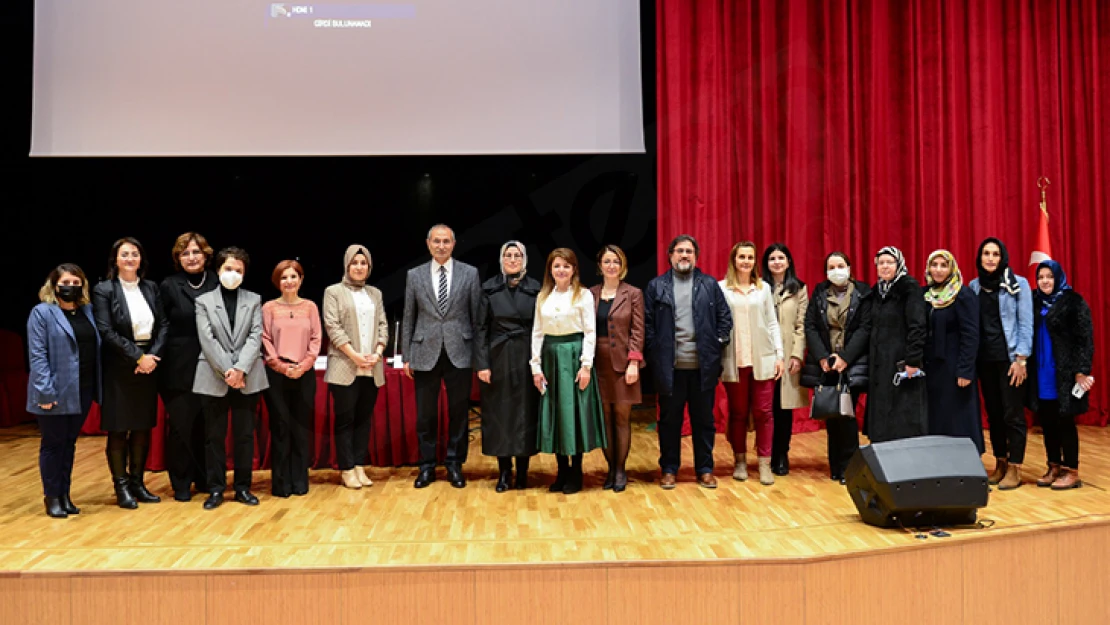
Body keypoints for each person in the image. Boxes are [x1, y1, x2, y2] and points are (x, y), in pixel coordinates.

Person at [644, 235, 732, 490]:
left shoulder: (709, 285)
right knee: (669, 423)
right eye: (680, 251)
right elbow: (648, 325)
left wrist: (716, 344)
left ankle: (705, 469)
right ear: (670, 255)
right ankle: (669, 469)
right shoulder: (656, 286)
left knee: (704, 422)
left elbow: (725, 319)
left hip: (703, 368)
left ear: (696, 256)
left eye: (689, 252)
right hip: (670, 369)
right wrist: (655, 352)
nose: (684, 255)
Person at [402, 224, 482, 489]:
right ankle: (426, 466)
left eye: (446, 241)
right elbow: (409, 315)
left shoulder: (470, 273)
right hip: (424, 352)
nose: (441, 246)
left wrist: (477, 355)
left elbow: (476, 318)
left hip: (460, 352)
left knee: (459, 413)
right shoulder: (414, 275)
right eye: (436, 241)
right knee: (425, 415)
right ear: (428, 243)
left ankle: (454, 464)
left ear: (454, 243)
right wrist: (406, 355)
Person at [92, 237, 168, 509]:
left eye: (134, 254)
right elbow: (106, 330)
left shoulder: (151, 287)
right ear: (115, 259)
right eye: (124, 254)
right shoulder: (104, 290)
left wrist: (152, 357)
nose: (129, 259)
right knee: (118, 429)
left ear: (141, 259)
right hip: (120, 366)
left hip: (149, 364)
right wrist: (138, 356)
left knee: (142, 427)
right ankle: (121, 486)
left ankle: (138, 482)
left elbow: (164, 325)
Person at [194, 247, 268, 509]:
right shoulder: (203, 301)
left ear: (245, 273)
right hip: (214, 375)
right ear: (218, 270)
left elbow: (255, 336)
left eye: (238, 270)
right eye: (228, 269)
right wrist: (228, 370)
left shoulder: (254, 299)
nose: (233, 274)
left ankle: (243, 487)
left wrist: (241, 370)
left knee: (245, 435)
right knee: (213, 437)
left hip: (247, 377)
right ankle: (215, 489)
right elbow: (207, 339)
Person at [530, 248, 606, 494]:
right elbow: (537, 332)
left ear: (574, 269)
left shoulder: (582, 295)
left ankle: (576, 472)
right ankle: (561, 470)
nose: (561, 270)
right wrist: (536, 366)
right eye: (556, 266)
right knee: (556, 415)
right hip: (551, 357)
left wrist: (586, 366)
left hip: (573, 357)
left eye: (566, 266)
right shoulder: (543, 297)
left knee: (575, 415)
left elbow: (590, 332)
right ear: (550, 270)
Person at [27, 264, 100, 518]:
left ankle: (66, 494)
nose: (71, 287)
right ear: (54, 285)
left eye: (76, 282)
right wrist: (44, 392)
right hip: (54, 391)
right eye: (65, 283)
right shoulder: (42, 313)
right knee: (53, 444)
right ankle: (52, 497)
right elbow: (37, 356)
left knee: (69, 443)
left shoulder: (87, 311)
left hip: (83, 388)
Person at [476, 241, 541, 492]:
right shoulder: (488, 289)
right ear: (501, 259)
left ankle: (523, 471)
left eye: (517, 255)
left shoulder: (536, 289)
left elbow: (541, 329)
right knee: (499, 415)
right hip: (498, 357)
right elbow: (480, 329)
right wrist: (482, 364)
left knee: (525, 413)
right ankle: (504, 471)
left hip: (526, 356)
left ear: (524, 259)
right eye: (508, 255)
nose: (512, 260)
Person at [968, 238, 1033, 490]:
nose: (991, 258)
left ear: (1002, 257)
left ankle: (1015, 468)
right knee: (994, 415)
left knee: (1012, 414)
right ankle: (1001, 463)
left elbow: (1026, 323)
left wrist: (1021, 359)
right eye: (986, 253)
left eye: (995, 254)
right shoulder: (974, 287)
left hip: (1010, 360)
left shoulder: (1018, 285)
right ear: (980, 258)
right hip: (985, 361)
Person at [802, 252, 871, 483]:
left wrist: (845, 358)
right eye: (831, 266)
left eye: (841, 265)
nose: (836, 270)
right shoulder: (819, 293)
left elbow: (865, 328)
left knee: (847, 415)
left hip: (852, 363)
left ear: (849, 268)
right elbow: (810, 326)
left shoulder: (863, 292)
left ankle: (850, 468)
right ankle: (835, 466)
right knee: (832, 415)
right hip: (827, 364)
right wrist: (823, 357)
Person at [159, 232, 218, 502]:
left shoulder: (218, 282)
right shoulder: (169, 286)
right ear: (178, 258)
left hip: (213, 364)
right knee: (182, 428)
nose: (191, 258)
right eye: (185, 253)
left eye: (196, 252)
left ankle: (207, 478)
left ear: (206, 255)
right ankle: (181, 482)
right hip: (178, 367)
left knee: (207, 427)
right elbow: (162, 326)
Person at [323, 245, 388, 490]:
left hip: (372, 366)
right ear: (347, 265)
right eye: (355, 263)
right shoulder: (333, 292)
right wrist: (354, 355)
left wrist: (377, 353)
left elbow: (383, 325)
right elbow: (333, 326)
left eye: (364, 263)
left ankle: (359, 464)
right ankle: (347, 469)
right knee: (345, 420)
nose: (359, 267)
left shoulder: (375, 294)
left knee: (363, 419)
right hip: (345, 366)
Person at [719, 241, 784, 486]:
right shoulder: (722, 288)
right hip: (734, 360)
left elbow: (772, 323)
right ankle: (740, 461)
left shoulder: (763, 289)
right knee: (737, 413)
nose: (745, 261)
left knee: (764, 413)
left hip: (763, 359)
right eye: (741, 257)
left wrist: (779, 354)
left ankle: (765, 463)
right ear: (734, 260)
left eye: (750, 257)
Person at [1027, 260, 1094, 490]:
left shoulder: (1073, 301)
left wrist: (1081, 370)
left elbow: (1084, 339)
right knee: (1047, 422)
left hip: (1065, 373)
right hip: (1041, 371)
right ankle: (1053, 465)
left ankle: (1071, 470)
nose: (1044, 281)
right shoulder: (1034, 301)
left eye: (1049, 276)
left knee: (1065, 421)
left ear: (1058, 277)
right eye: (1040, 277)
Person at [262, 260, 321, 497]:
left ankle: (300, 482)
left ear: (301, 279)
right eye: (284, 277)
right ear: (278, 281)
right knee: (281, 427)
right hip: (277, 375)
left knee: (300, 428)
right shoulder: (268, 308)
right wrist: (281, 366)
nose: (289, 281)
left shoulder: (310, 307)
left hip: (304, 374)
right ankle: (281, 484)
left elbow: (316, 339)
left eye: (293, 277)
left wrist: (304, 365)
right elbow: (265, 339)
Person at [588, 245, 644, 493]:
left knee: (622, 418)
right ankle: (610, 468)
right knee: (605, 419)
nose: (612, 266)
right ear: (600, 266)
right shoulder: (589, 294)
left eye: (616, 262)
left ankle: (621, 469)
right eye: (607, 261)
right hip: (596, 363)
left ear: (622, 266)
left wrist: (634, 362)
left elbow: (638, 330)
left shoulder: (633, 294)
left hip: (623, 364)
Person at [865, 246, 927, 443]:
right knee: (881, 414)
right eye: (881, 263)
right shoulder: (877, 292)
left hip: (901, 362)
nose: (885, 267)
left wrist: (913, 360)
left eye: (889, 262)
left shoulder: (909, 287)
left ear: (898, 264)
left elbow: (917, 325)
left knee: (901, 416)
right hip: (879, 363)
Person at [922, 250, 982, 452]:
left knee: (958, 415)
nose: (938, 270)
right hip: (932, 368)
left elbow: (971, 335)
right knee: (936, 414)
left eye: (943, 265)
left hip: (955, 366)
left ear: (952, 268)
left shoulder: (963, 295)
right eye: (934, 265)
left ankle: (965, 459)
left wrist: (965, 370)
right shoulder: (925, 295)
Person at [763, 243, 809, 476]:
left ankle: (781, 454)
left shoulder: (799, 289)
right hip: (764, 356)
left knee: (784, 409)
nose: (777, 262)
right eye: (772, 258)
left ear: (789, 261)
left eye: (781, 258)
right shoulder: (759, 287)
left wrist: (796, 355)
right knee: (765, 408)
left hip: (789, 354)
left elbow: (802, 325)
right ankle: (765, 454)